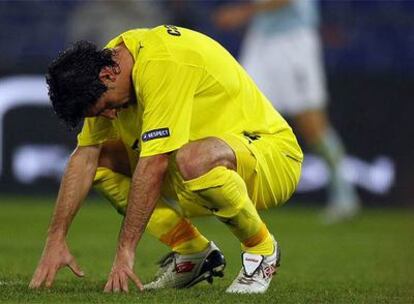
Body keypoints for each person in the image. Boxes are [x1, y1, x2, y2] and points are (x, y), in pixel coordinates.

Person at [29, 25, 303, 294]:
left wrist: (125, 252)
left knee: (191, 159)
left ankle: (261, 251)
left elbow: (155, 164)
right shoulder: (112, 64)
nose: (111, 116)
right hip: (196, 170)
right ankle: (193, 253)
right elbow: (85, 157)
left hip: (271, 158)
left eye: (108, 107)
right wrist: (56, 238)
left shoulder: (162, 63)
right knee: (102, 158)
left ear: (109, 74)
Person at [214, 0, 360, 223]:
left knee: (312, 124)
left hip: (293, 41)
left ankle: (344, 194)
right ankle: (227, 199)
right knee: (240, 116)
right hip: (261, 39)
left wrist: (243, 12)